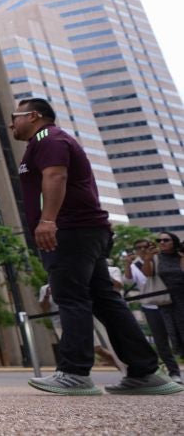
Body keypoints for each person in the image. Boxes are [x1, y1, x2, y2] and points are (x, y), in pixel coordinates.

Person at [11, 97, 181, 395]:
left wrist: (48, 220)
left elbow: (55, 175)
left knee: (71, 297)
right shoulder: (43, 142)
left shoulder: (48, 138)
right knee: (105, 299)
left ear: (34, 116)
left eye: (16, 116)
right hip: (83, 230)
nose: (12, 122)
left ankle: (74, 373)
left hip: (70, 230)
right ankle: (145, 372)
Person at [127, 239, 182, 384]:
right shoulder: (135, 265)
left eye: (145, 246)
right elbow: (128, 280)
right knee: (161, 341)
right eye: (138, 247)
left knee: (178, 334)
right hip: (151, 305)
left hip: (171, 302)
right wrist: (127, 263)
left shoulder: (161, 259)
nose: (142, 249)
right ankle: (174, 371)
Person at [151, 232, 184, 363]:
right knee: (174, 331)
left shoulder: (180, 256)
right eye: (159, 240)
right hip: (167, 300)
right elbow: (148, 275)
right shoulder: (157, 258)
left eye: (166, 240)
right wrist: (148, 258)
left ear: (174, 242)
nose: (162, 243)